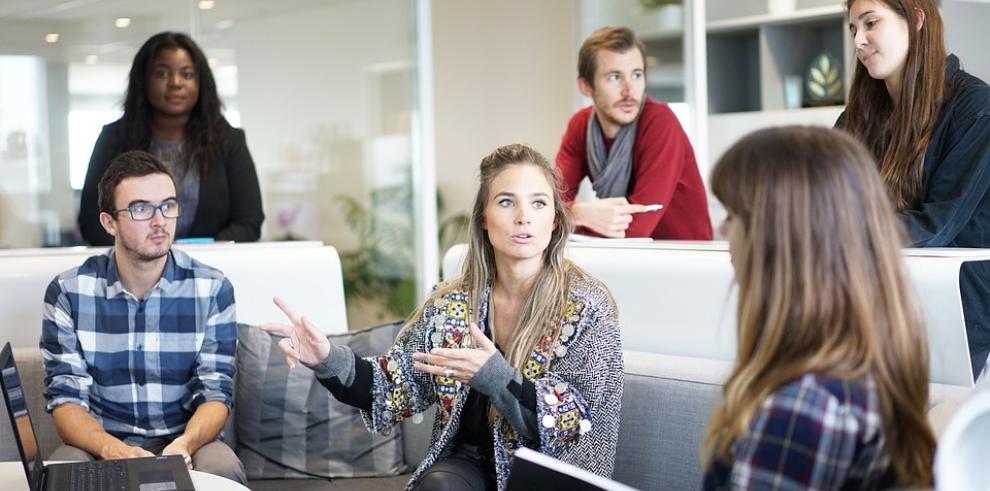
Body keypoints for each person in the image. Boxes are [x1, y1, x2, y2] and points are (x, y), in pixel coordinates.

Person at [262, 144, 624, 490]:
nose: (523, 217)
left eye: (539, 203)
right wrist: (327, 358)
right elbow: (394, 385)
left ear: (555, 220)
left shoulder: (588, 305)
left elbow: (573, 420)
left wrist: (495, 377)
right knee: (439, 485)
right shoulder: (452, 303)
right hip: (469, 470)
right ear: (484, 217)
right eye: (506, 202)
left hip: (550, 473)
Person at [702, 127, 936, 489]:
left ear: (779, 239)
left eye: (733, 215)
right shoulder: (864, 367)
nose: (721, 229)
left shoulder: (803, 407)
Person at [42, 151, 245, 484]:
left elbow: (216, 393)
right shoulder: (68, 292)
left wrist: (183, 446)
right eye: (140, 209)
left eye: (168, 205)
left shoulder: (212, 289)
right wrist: (114, 450)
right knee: (62, 469)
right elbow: (65, 400)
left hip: (187, 442)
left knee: (222, 468)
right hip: (101, 444)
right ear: (109, 222)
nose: (159, 221)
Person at [837, 0, 990, 380]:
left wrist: (836, 233)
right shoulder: (856, 118)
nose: (859, 41)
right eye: (853, 28)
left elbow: (936, 225)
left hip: (957, 309)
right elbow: (827, 203)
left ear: (916, 20)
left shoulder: (975, 107)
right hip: (875, 299)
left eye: (871, 23)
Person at [78, 31, 264, 246]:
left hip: (210, 270)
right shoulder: (114, 139)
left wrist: (195, 255)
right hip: (134, 271)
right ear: (143, 80)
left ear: (200, 83)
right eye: (162, 74)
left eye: (187, 74)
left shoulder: (229, 141)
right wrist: (148, 253)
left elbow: (249, 222)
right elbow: (92, 223)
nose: (176, 83)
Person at [555, 26, 711, 240]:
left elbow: (636, 228)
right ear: (586, 86)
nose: (629, 90)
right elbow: (548, 205)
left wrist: (569, 217)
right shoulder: (580, 126)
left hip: (684, 261)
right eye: (614, 77)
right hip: (626, 259)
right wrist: (578, 213)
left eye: (636, 75)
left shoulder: (660, 122)